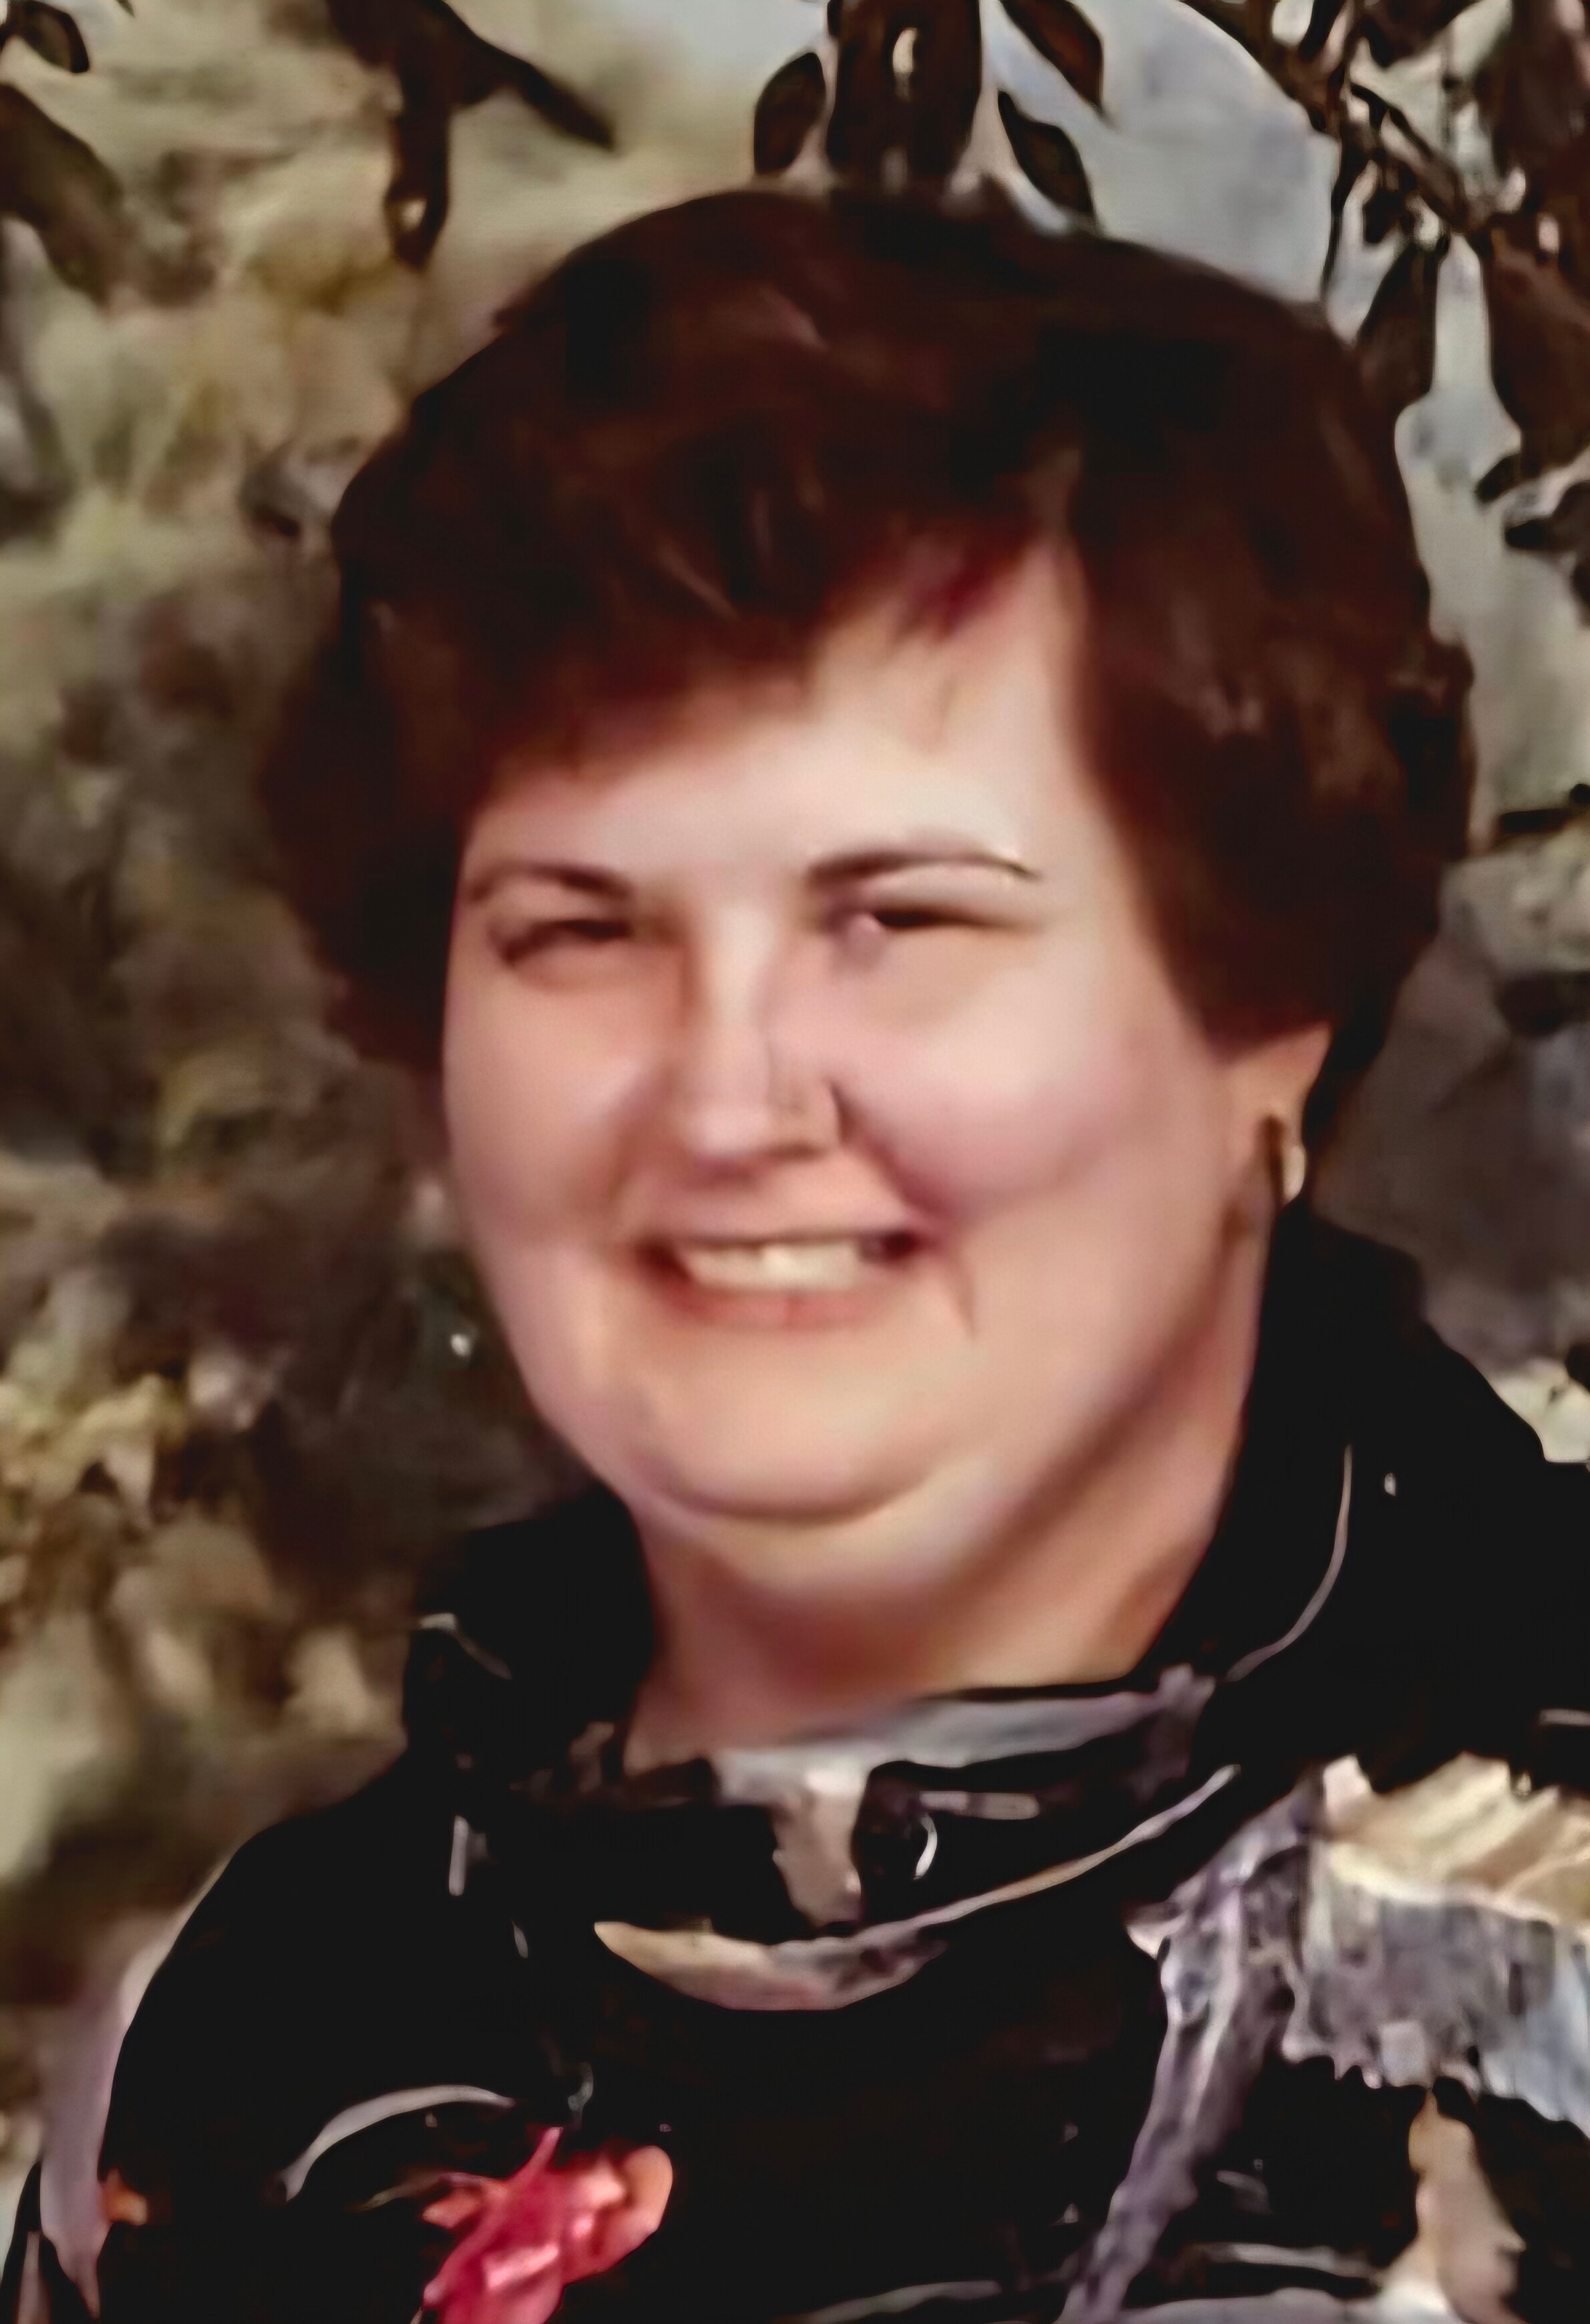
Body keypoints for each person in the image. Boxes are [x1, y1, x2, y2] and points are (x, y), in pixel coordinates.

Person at [9, 184, 1590, 2324]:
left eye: (900, 920)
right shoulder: (249, 2053)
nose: (725, 1094)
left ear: (1270, 1022)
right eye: (579, 931)